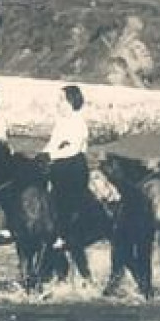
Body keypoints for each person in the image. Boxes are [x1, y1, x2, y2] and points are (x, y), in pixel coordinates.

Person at [42, 84, 91, 239]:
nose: (58, 103)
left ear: (71, 101)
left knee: (62, 194)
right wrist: (42, 155)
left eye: (61, 99)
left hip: (74, 166)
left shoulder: (79, 124)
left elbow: (73, 149)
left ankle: (62, 233)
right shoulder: (61, 123)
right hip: (59, 163)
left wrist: (51, 156)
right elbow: (52, 144)